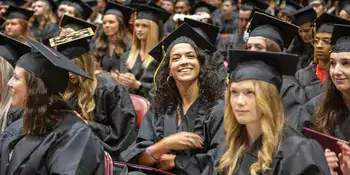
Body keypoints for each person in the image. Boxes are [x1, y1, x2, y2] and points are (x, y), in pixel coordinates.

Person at [120, 23, 225, 175]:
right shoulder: (160, 108)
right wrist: (166, 143)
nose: (184, 62)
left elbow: (220, 161)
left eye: (190, 56)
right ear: (168, 69)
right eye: (176, 58)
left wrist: (177, 161)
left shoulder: (217, 109)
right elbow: (139, 159)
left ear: (201, 65)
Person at [1, 37, 104, 174]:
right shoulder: (17, 126)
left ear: (36, 88)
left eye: (16, 78)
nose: (9, 83)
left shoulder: (75, 136)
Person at [218, 49, 330, 175]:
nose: (239, 101)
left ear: (268, 98)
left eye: (249, 92)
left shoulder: (298, 151)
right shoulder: (230, 147)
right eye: (234, 92)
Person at [51, 28, 138, 161]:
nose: (70, 74)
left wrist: (86, 123)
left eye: (74, 67)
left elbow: (121, 134)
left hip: (99, 154)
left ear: (85, 63)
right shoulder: (65, 85)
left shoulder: (108, 87)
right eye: (65, 68)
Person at [297, 24, 350, 175]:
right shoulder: (314, 109)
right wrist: (317, 161)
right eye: (332, 63)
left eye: (346, 63)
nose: (336, 71)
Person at [245, 11, 307, 126]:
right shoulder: (245, 81)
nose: (251, 52)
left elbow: (292, 130)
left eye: (259, 47)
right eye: (249, 47)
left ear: (273, 52)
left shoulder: (289, 88)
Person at [118, 4, 170, 100]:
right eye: (137, 25)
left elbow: (164, 90)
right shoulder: (127, 56)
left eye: (144, 26)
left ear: (153, 29)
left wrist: (138, 85)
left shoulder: (163, 57)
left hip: (151, 109)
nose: (139, 30)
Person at [295, 13, 350, 101]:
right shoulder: (301, 75)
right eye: (316, 41)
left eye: (326, 41)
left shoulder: (342, 75)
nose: (319, 45)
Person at [95, 1, 134, 72]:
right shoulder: (100, 44)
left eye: (111, 22)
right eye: (104, 23)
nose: (106, 25)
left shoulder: (129, 46)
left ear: (120, 24)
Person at [288, 5, 318, 70]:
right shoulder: (295, 46)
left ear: (315, 28)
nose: (303, 35)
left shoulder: (320, 48)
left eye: (307, 30)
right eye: (300, 31)